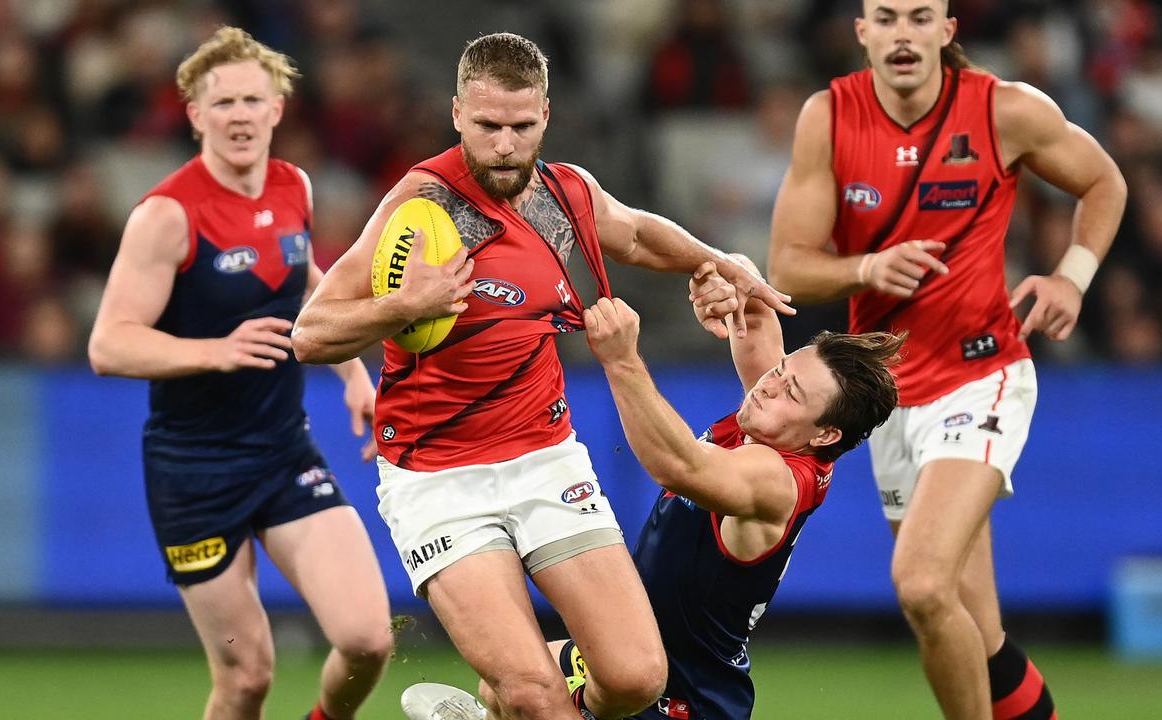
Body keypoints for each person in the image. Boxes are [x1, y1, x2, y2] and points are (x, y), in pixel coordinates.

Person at [291, 32, 792, 720]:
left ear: (546, 117)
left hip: (546, 462)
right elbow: (310, 333)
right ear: (458, 113)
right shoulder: (423, 208)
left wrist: (717, 262)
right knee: (536, 696)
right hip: (440, 480)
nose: (504, 143)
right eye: (488, 125)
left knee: (637, 677)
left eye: (521, 127)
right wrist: (407, 304)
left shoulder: (565, 194)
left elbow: (639, 233)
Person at [765, 2, 1127, 719]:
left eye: (921, 16)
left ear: (947, 31)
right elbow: (789, 265)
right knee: (972, 628)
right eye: (887, 17)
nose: (904, 33)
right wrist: (868, 268)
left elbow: (1104, 181)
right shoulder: (829, 118)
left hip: (983, 373)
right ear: (862, 30)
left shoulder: (1004, 111)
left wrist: (1072, 277)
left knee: (923, 584)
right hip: (892, 397)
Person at [404, 261, 904, 720]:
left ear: (825, 436)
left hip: (685, 700)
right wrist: (729, 281)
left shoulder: (777, 478)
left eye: (791, 390)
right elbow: (756, 317)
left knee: (531, 694)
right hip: (644, 657)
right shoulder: (779, 416)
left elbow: (679, 467)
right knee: (512, 687)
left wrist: (623, 362)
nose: (770, 385)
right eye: (782, 370)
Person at [86, 27, 392, 720]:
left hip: (285, 454)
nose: (240, 115)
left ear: (278, 108)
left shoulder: (294, 186)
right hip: (193, 473)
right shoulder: (167, 214)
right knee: (248, 678)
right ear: (195, 114)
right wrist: (213, 350)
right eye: (222, 103)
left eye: (254, 99)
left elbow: (305, 288)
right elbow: (108, 345)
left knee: (368, 638)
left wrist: (353, 377)